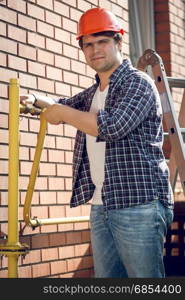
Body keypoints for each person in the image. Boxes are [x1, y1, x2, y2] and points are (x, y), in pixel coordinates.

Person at [21, 7, 174, 278]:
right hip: (102, 205)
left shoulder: (138, 83)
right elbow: (62, 104)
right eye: (87, 44)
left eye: (102, 41)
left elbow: (113, 126)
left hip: (139, 204)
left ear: (118, 42)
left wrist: (64, 114)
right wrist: (35, 99)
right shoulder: (94, 93)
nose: (94, 50)